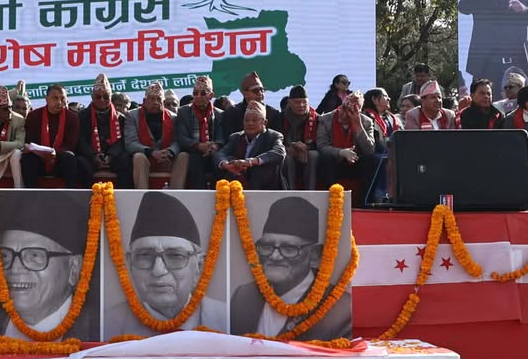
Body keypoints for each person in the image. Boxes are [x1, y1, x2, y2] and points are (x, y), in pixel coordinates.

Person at [103, 190, 227, 336]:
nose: (158, 270)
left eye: (175, 256)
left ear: (199, 266)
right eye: (145, 255)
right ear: (130, 264)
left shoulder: (226, 319)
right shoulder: (108, 323)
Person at [0, 189, 98, 339]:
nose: (15, 269)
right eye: (5, 256)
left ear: (74, 269)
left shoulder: (99, 330)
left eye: (34, 256)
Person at [227, 195, 351, 339]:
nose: (275, 256)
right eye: (267, 246)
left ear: (314, 255)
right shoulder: (243, 297)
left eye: (289, 249)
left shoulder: (340, 310)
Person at [316, 90, 381, 202]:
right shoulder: (326, 119)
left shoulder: (366, 122)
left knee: (373, 160)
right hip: (335, 160)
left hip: (356, 161)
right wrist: (341, 152)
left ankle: (365, 202)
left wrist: (358, 127)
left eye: (352, 111)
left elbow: (369, 150)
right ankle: (333, 199)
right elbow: (321, 146)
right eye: (344, 109)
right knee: (325, 158)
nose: (346, 114)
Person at [127, 81, 188, 190]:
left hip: (167, 158)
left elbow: (178, 141)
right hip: (146, 157)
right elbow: (130, 143)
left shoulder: (174, 117)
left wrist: (169, 152)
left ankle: (177, 193)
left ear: (163, 102)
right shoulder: (132, 116)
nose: (155, 102)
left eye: (159, 99)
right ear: (144, 101)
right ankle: (142, 194)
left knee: (183, 156)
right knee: (138, 157)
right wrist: (152, 152)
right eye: (152, 99)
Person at [23, 84, 84, 187]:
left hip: (60, 160)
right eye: (55, 98)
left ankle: (70, 193)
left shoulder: (72, 118)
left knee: (69, 157)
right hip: (39, 158)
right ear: (46, 99)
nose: (59, 102)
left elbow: (70, 145)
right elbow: (30, 142)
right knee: (28, 159)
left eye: (62, 98)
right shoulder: (34, 116)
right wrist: (42, 153)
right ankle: (31, 193)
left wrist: (55, 153)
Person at [214, 102, 283, 190]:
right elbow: (220, 154)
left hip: (265, 186)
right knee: (230, 159)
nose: (250, 123)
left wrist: (251, 161)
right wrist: (226, 164)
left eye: (254, 120)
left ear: (264, 123)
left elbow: (279, 152)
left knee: (264, 165)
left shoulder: (273, 136)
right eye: (246, 120)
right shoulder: (236, 137)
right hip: (238, 183)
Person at [74, 74, 128, 181]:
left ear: (110, 97)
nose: (102, 100)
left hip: (113, 156)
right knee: (80, 162)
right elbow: (80, 141)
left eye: (106, 97)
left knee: (126, 159)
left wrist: (111, 156)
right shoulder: (81, 116)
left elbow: (121, 141)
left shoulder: (120, 118)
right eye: (98, 97)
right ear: (92, 97)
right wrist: (94, 156)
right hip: (90, 157)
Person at [175, 77, 225, 188]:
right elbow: (181, 137)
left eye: (202, 93)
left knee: (219, 158)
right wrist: (199, 146)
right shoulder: (183, 111)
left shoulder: (220, 114)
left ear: (211, 96)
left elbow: (221, 137)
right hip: (193, 150)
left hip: (213, 150)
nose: (198, 96)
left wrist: (215, 146)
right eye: (195, 93)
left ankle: (221, 192)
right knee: (195, 159)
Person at [277, 85, 321, 190]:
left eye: (304, 102)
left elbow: (321, 142)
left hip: (307, 153)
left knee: (314, 155)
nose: (301, 105)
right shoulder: (280, 117)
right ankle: (290, 192)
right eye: (297, 102)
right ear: (289, 102)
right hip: (288, 151)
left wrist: (306, 148)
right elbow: (276, 140)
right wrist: (289, 147)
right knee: (287, 158)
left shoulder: (317, 118)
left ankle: (310, 192)